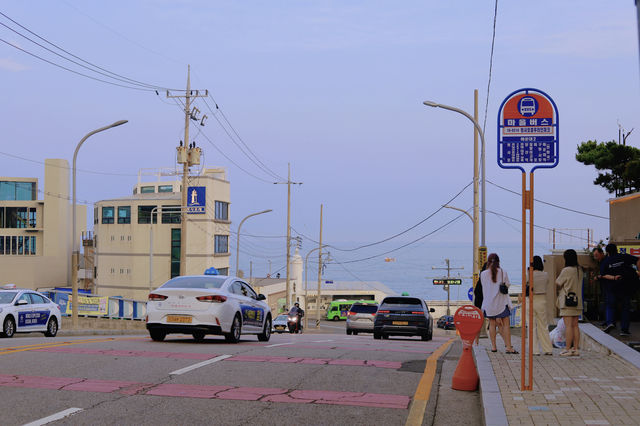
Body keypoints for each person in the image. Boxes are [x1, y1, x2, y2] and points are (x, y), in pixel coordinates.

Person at [599, 243, 640, 336]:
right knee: (625, 308)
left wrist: (613, 278)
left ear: (607, 252)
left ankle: (610, 323)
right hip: (626, 287)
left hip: (612, 288)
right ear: (617, 249)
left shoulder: (606, 261)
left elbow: (603, 275)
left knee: (610, 306)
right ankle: (624, 330)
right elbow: (638, 260)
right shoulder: (624, 256)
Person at [480, 253, 517, 354]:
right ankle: (508, 347)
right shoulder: (503, 272)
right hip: (501, 303)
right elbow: (507, 284)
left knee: (492, 324)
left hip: (489, 304)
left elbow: (484, 287)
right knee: (506, 324)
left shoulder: (483, 274)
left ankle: (493, 346)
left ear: (488, 261)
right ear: (498, 261)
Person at [555, 249, 583, 356]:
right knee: (575, 325)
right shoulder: (579, 269)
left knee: (568, 326)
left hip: (567, 302)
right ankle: (575, 349)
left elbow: (558, 282)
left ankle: (567, 349)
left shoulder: (567, 270)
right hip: (577, 301)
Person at [528, 255, 553, 355]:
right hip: (542, 299)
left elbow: (526, 284)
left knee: (532, 326)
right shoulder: (545, 275)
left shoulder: (529, 274)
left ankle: (534, 350)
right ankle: (547, 349)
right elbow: (546, 284)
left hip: (531, 299)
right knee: (543, 326)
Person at [592, 247, 608, 327]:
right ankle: (607, 320)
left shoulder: (606, 261)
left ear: (602, 253)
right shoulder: (601, 262)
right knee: (606, 303)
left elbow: (605, 274)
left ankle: (609, 321)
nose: (595, 257)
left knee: (608, 304)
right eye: (594, 256)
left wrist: (598, 277)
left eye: (597, 255)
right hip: (604, 285)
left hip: (608, 286)